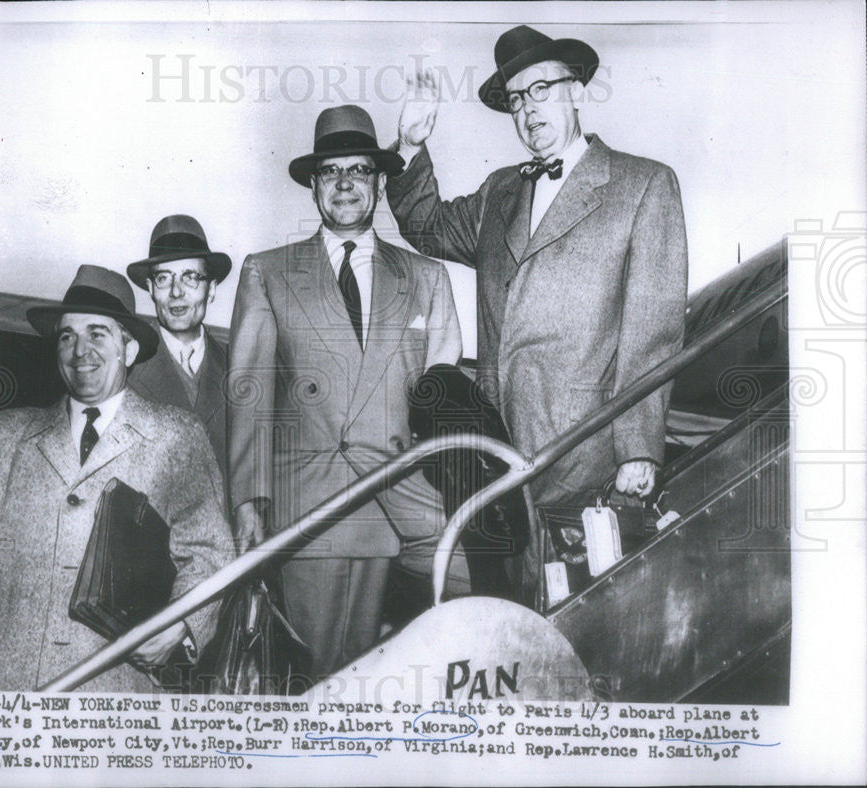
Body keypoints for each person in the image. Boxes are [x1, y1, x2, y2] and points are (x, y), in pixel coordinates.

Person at [386, 26, 688, 605]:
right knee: (516, 624)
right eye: (516, 100)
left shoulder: (642, 184)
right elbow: (425, 225)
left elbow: (653, 332)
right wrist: (410, 144)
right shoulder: (500, 192)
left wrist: (639, 449)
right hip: (502, 455)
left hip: (588, 456)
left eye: (540, 90)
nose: (527, 111)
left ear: (576, 90)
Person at [0, 265, 234, 691]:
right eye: (67, 336)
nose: (80, 350)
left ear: (128, 351)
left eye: (97, 334)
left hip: (112, 703)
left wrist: (182, 624)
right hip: (6, 695)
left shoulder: (176, 436)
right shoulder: (12, 433)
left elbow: (208, 551)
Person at [228, 104, 464, 679]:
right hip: (310, 503)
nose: (345, 184)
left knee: (383, 674)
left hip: (400, 500)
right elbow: (249, 393)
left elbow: (445, 393)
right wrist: (247, 498)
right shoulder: (268, 270)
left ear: (381, 182)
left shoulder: (428, 278)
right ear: (313, 185)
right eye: (331, 172)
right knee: (312, 678)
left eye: (359, 170)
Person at [126, 214, 231, 482]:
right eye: (164, 278)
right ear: (150, 288)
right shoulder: (123, 367)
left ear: (211, 289)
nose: (176, 292)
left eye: (190, 277)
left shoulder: (238, 368)